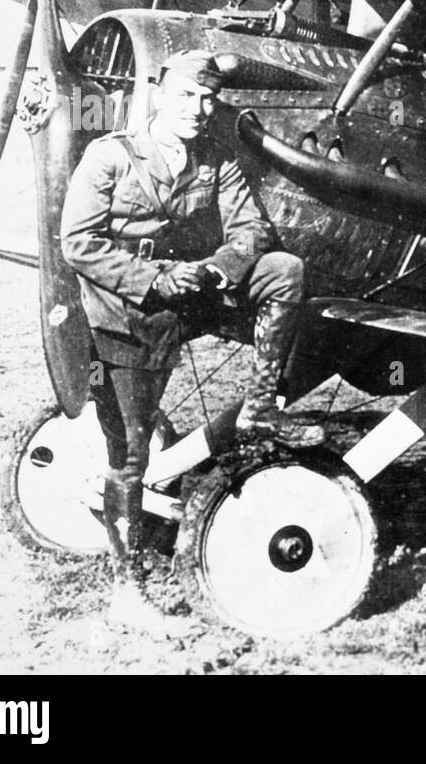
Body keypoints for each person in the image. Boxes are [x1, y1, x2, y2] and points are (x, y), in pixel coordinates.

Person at [60, 50, 325, 635]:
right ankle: (127, 591)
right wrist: (153, 278)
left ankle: (258, 407)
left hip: (197, 289)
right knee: (129, 451)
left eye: (208, 99)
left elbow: (253, 229)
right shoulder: (110, 156)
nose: (199, 110)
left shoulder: (217, 158)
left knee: (283, 268)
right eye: (186, 96)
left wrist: (212, 270)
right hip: (129, 308)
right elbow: (77, 243)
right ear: (158, 94)